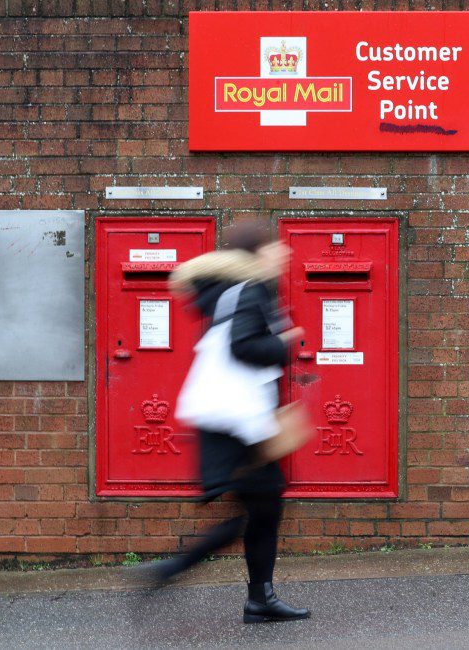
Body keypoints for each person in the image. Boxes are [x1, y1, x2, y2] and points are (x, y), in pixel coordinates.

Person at [140, 221, 310, 624]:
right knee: (258, 509)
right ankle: (175, 571)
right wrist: (285, 342)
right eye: (276, 247)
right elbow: (243, 346)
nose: (284, 253)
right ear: (258, 253)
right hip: (239, 423)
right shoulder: (251, 290)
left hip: (230, 421)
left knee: (261, 508)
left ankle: (258, 597)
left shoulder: (229, 292)